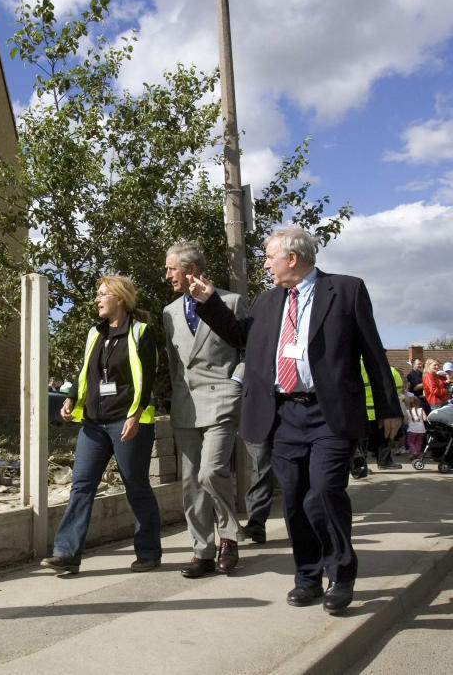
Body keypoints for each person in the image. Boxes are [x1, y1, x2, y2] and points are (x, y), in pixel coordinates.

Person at [187, 226, 401, 614]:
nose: (266, 264)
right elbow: (241, 338)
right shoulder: (267, 301)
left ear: (292, 258)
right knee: (296, 501)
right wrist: (210, 301)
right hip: (283, 413)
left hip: (329, 413)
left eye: (270, 257)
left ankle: (341, 573)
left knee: (323, 492)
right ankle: (307, 577)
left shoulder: (346, 290)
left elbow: (372, 349)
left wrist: (388, 406)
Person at [40, 276, 162, 574]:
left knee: (136, 485)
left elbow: (147, 379)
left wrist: (136, 415)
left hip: (127, 422)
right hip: (94, 424)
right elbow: (85, 372)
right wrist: (71, 398)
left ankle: (148, 552)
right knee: (81, 485)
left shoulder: (139, 332)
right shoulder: (95, 333)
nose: (96, 299)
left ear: (119, 298)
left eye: (102, 294)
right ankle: (67, 554)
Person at [162, 242, 244, 577]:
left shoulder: (230, 302)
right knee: (191, 484)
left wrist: (236, 384)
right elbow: (173, 362)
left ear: (191, 270)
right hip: (186, 405)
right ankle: (202, 552)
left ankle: (229, 535)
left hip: (222, 398)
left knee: (211, 472)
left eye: (171, 269)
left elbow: (247, 348)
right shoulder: (168, 312)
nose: (167, 275)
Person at [361, 359, 403, 470]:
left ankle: (360, 465)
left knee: (362, 441)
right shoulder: (389, 369)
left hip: (362, 411)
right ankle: (384, 462)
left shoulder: (355, 364)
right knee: (384, 438)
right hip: (381, 411)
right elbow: (398, 388)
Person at [401, 393, 426, 457]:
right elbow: (425, 419)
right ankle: (417, 453)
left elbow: (405, 422)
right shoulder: (421, 410)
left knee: (410, 442)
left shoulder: (407, 411)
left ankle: (414, 452)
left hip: (412, 430)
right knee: (419, 442)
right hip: (422, 430)